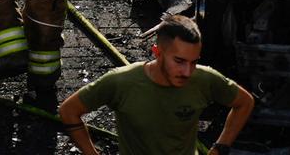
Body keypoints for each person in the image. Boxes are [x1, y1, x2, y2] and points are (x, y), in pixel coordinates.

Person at [57, 15, 255, 155]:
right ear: (157, 52)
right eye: (179, 61)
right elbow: (69, 110)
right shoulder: (121, 82)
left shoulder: (204, 79)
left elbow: (244, 102)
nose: (188, 72)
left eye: (193, 62)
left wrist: (221, 147)